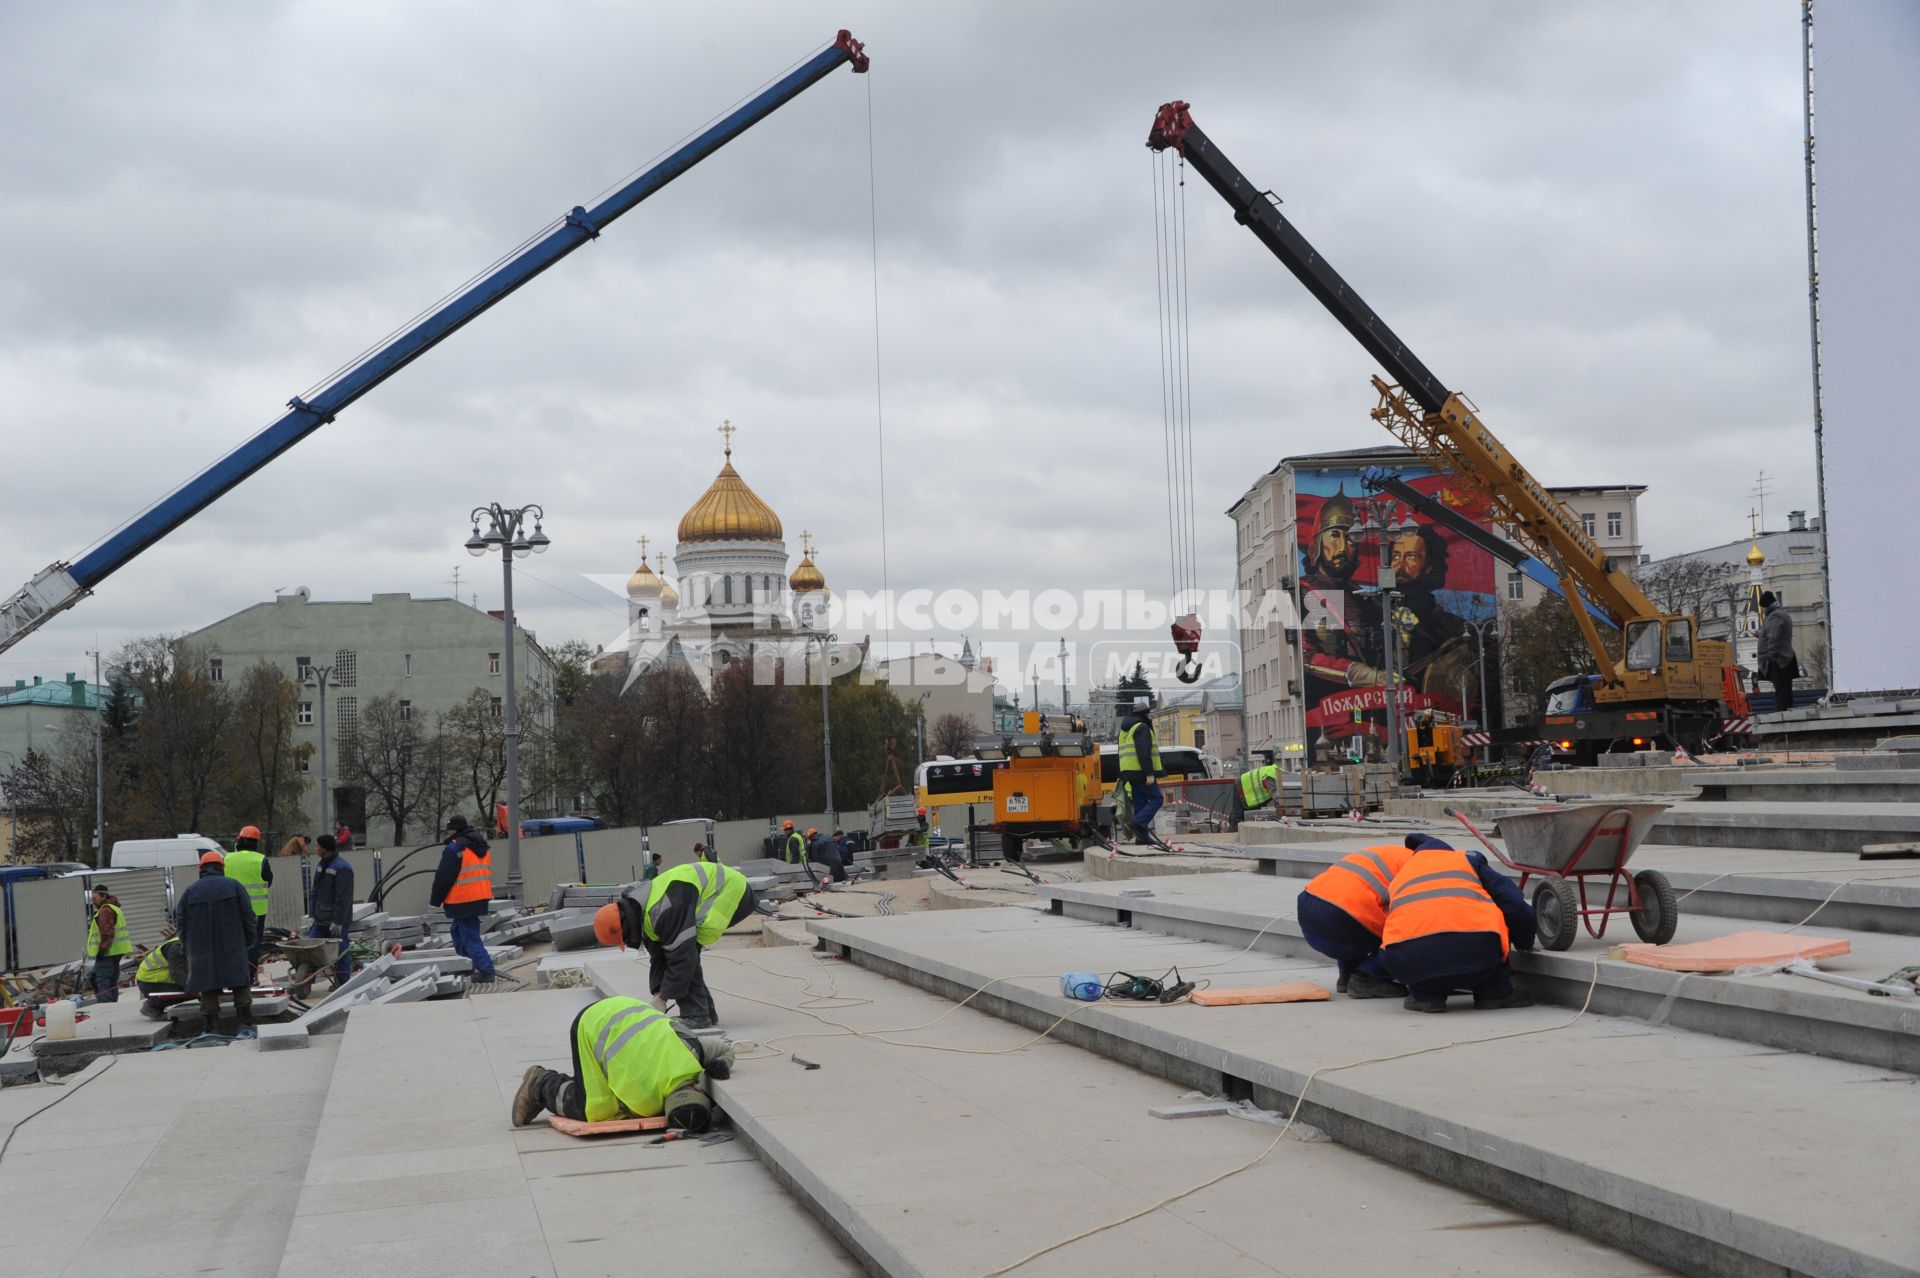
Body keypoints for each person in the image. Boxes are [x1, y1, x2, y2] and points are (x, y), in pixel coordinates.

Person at [510, 994, 734, 1131]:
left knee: (603, 1090)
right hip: (592, 1025)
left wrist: (720, 1064)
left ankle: (565, 1083)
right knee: (593, 1108)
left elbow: (725, 1049)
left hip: (624, 1008)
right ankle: (540, 1083)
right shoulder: (645, 1104)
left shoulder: (691, 1051)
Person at [592, 859, 759, 1030]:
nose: (628, 944)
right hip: (713, 892)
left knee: (686, 954)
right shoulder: (644, 911)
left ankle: (697, 1015)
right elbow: (658, 956)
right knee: (681, 953)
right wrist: (657, 992)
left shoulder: (664, 910)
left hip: (732, 892)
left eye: (624, 941)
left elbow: (683, 958)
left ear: (626, 928)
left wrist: (664, 997)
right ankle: (705, 1011)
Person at [1379, 834, 1536, 1013]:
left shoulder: (1399, 877)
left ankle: (1425, 996)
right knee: (1493, 922)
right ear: (1447, 850)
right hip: (1478, 954)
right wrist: (1525, 941)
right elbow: (1514, 905)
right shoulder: (1467, 859)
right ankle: (1495, 993)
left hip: (1410, 962)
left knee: (1408, 945)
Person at [1296, 843, 1414, 997]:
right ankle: (1367, 978)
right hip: (1341, 920)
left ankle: (1347, 974)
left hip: (1308, 910)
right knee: (1414, 931)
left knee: (1361, 908)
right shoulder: (1421, 868)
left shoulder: (1392, 854)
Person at [177, 850, 257, 1036]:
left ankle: (212, 1027)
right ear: (221, 868)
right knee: (240, 982)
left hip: (201, 949)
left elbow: (181, 922)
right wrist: (249, 939)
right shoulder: (234, 886)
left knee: (207, 985)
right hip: (233, 945)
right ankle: (244, 1023)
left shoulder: (190, 891)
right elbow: (248, 916)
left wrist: (186, 945)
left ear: (201, 869)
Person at [430, 815, 497, 984]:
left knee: (469, 936)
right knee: (457, 932)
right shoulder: (481, 846)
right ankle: (470, 964)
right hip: (479, 896)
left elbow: (443, 877)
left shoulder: (455, 849)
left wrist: (435, 900)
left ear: (455, 830)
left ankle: (486, 971)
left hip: (463, 898)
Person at [307, 834, 356, 986]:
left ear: (324, 848)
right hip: (321, 918)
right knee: (310, 949)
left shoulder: (342, 868)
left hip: (336, 921)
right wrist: (312, 913)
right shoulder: (322, 865)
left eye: (318, 846)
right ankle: (306, 981)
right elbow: (315, 891)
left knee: (340, 952)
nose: (316, 849)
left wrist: (338, 921)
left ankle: (342, 984)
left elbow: (343, 898)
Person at [1116, 696, 1164, 844]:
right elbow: (1144, 752)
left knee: (1140, 802)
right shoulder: (1141, 727)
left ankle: (1142, 837)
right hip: (1140, 771)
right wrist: (1149, 773)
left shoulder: (1125, 728)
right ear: (1145, 714)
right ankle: (1136, 822)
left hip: (1128, 771)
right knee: (1157, 799)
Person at [224, 824, 273, 967]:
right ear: (256, 843)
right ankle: (250, 976)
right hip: (256, 911)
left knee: (233, 942)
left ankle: (234, 973)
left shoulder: (227, 858)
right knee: (252, 943)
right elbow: (268, 880)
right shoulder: (261, 860)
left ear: (240, 841)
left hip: (232, 910)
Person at [85, 885, 131, 1002]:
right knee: (109, 982)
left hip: (107, 953)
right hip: (115, 952)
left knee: (103, 982)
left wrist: (101, 951)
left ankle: (106, 1008)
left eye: (94, 898)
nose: (93, 901)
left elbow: (107, 933)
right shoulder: (113, 908)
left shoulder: (106, 910)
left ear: (103, 896)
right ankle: (112, 1006)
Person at [1757, 591, 1799, 713]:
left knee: (1781, 690)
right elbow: (1773, 636)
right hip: (1784, 658)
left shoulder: (1775, 616)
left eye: (1763, 607)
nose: (1763, 610)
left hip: (1780, 660)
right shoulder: (1781, 614)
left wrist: (1770, 657)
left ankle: (1783, 713)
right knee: (1784, 689)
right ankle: (1786, 711)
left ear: (1766, 605)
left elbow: (1774, 638)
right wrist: (1762, 637)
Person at [134, 929, 187, 1017]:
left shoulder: (188, 944)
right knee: (195, 990)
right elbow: (177, 974)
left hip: (157, 981)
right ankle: (152, 1006)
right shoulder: (177, 947)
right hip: (149, 982)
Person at [1230, 761, 1280, 831]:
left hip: (1248, 789)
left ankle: (1236, 828)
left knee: (1247, 813)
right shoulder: (1272, 776)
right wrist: (1281, 803)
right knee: (1238, 812)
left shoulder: (1276, 772)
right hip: (1242, 785)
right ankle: (1232, 830)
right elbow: (1273, 792)